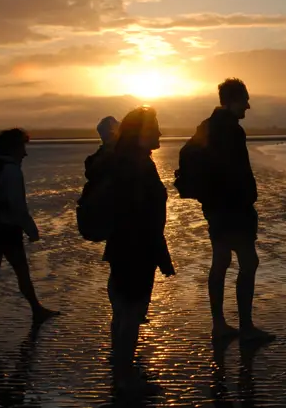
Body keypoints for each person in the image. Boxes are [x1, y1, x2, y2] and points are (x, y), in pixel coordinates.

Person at [94, 106, 175, 394]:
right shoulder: (136, 166)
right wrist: (161, 254)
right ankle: (125, 377)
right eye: (155, 126)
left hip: (122, 247)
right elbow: (144, 218)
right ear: (140, 133)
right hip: (135, 249)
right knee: (130, 312)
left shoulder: (126, 161)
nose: (160, 132)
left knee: (122, 311)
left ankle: (121, 370)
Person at [0, 128, 60, 328]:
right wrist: (31, 229)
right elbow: (17, 206)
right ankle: (37, 310)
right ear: (13, 148)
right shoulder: (11, 170)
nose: (25, 153)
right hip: (6, 230)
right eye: (22, 147)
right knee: (22, 272)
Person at [200, 79, 272, 342]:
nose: (249, 106)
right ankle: (246, 327)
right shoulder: (231, 130)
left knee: (220, 262)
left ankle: (219, 324)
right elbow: (236, 171)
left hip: (215, 208)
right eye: (245, 100)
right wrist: (246, 197)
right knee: (248, 262)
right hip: (233, 209)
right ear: (232, 100)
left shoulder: (206, 126)